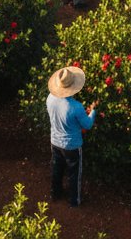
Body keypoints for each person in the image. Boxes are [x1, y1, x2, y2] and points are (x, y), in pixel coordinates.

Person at [47, 66, 97, 207]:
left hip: (55, 142)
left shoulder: (50, 98)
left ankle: (55, 194)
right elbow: (87, 125)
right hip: (72, 146)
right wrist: (93, 112)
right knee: (74, 174)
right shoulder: (76, 106)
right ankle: (74, 201)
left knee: (57, 169)